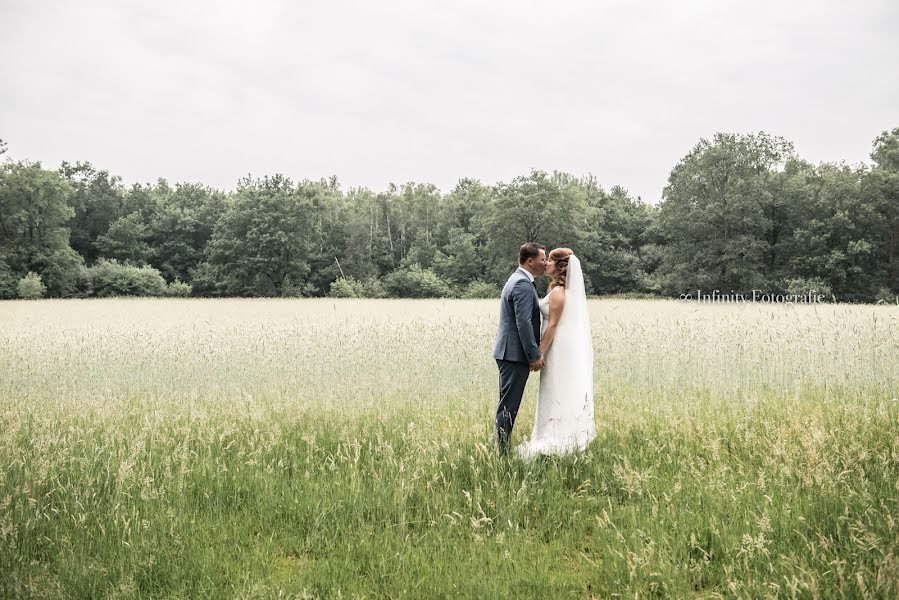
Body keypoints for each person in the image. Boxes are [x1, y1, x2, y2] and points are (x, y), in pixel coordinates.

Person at [516, 248, 596, 459]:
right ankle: (554, 432)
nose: (546, 264)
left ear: (559, 267)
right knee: (555, 389)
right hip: (557, 345)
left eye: (549, 260)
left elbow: (552, 325)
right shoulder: (559, 291)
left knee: (556, 388)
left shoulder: (559, 293)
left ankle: (556, 437)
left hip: (557, 348)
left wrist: (538, 354)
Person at [493, 242, 546, 453]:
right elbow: (523, 322)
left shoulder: (518, 279)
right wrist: (534, 355)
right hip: (514, 355)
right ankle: (501, 452)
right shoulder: (522, 284)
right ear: (530, 261)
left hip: (510, 353)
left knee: (507, 403)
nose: (545, 263)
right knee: (509, 406)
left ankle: (500, 447)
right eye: (543, 259)